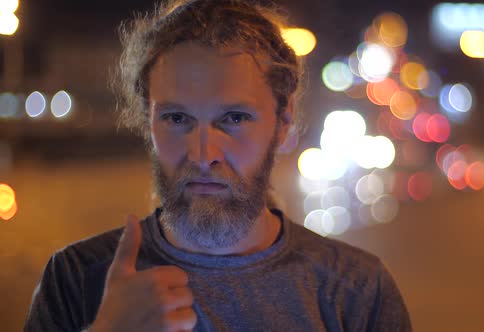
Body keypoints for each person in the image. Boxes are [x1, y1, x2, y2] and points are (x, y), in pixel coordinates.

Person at [24, 0, 412, 331]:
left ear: (283, 121)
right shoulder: (77, 279)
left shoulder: (357, 292)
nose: (203, 152)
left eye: (234, 118)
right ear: (147, 120)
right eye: (177, 119)